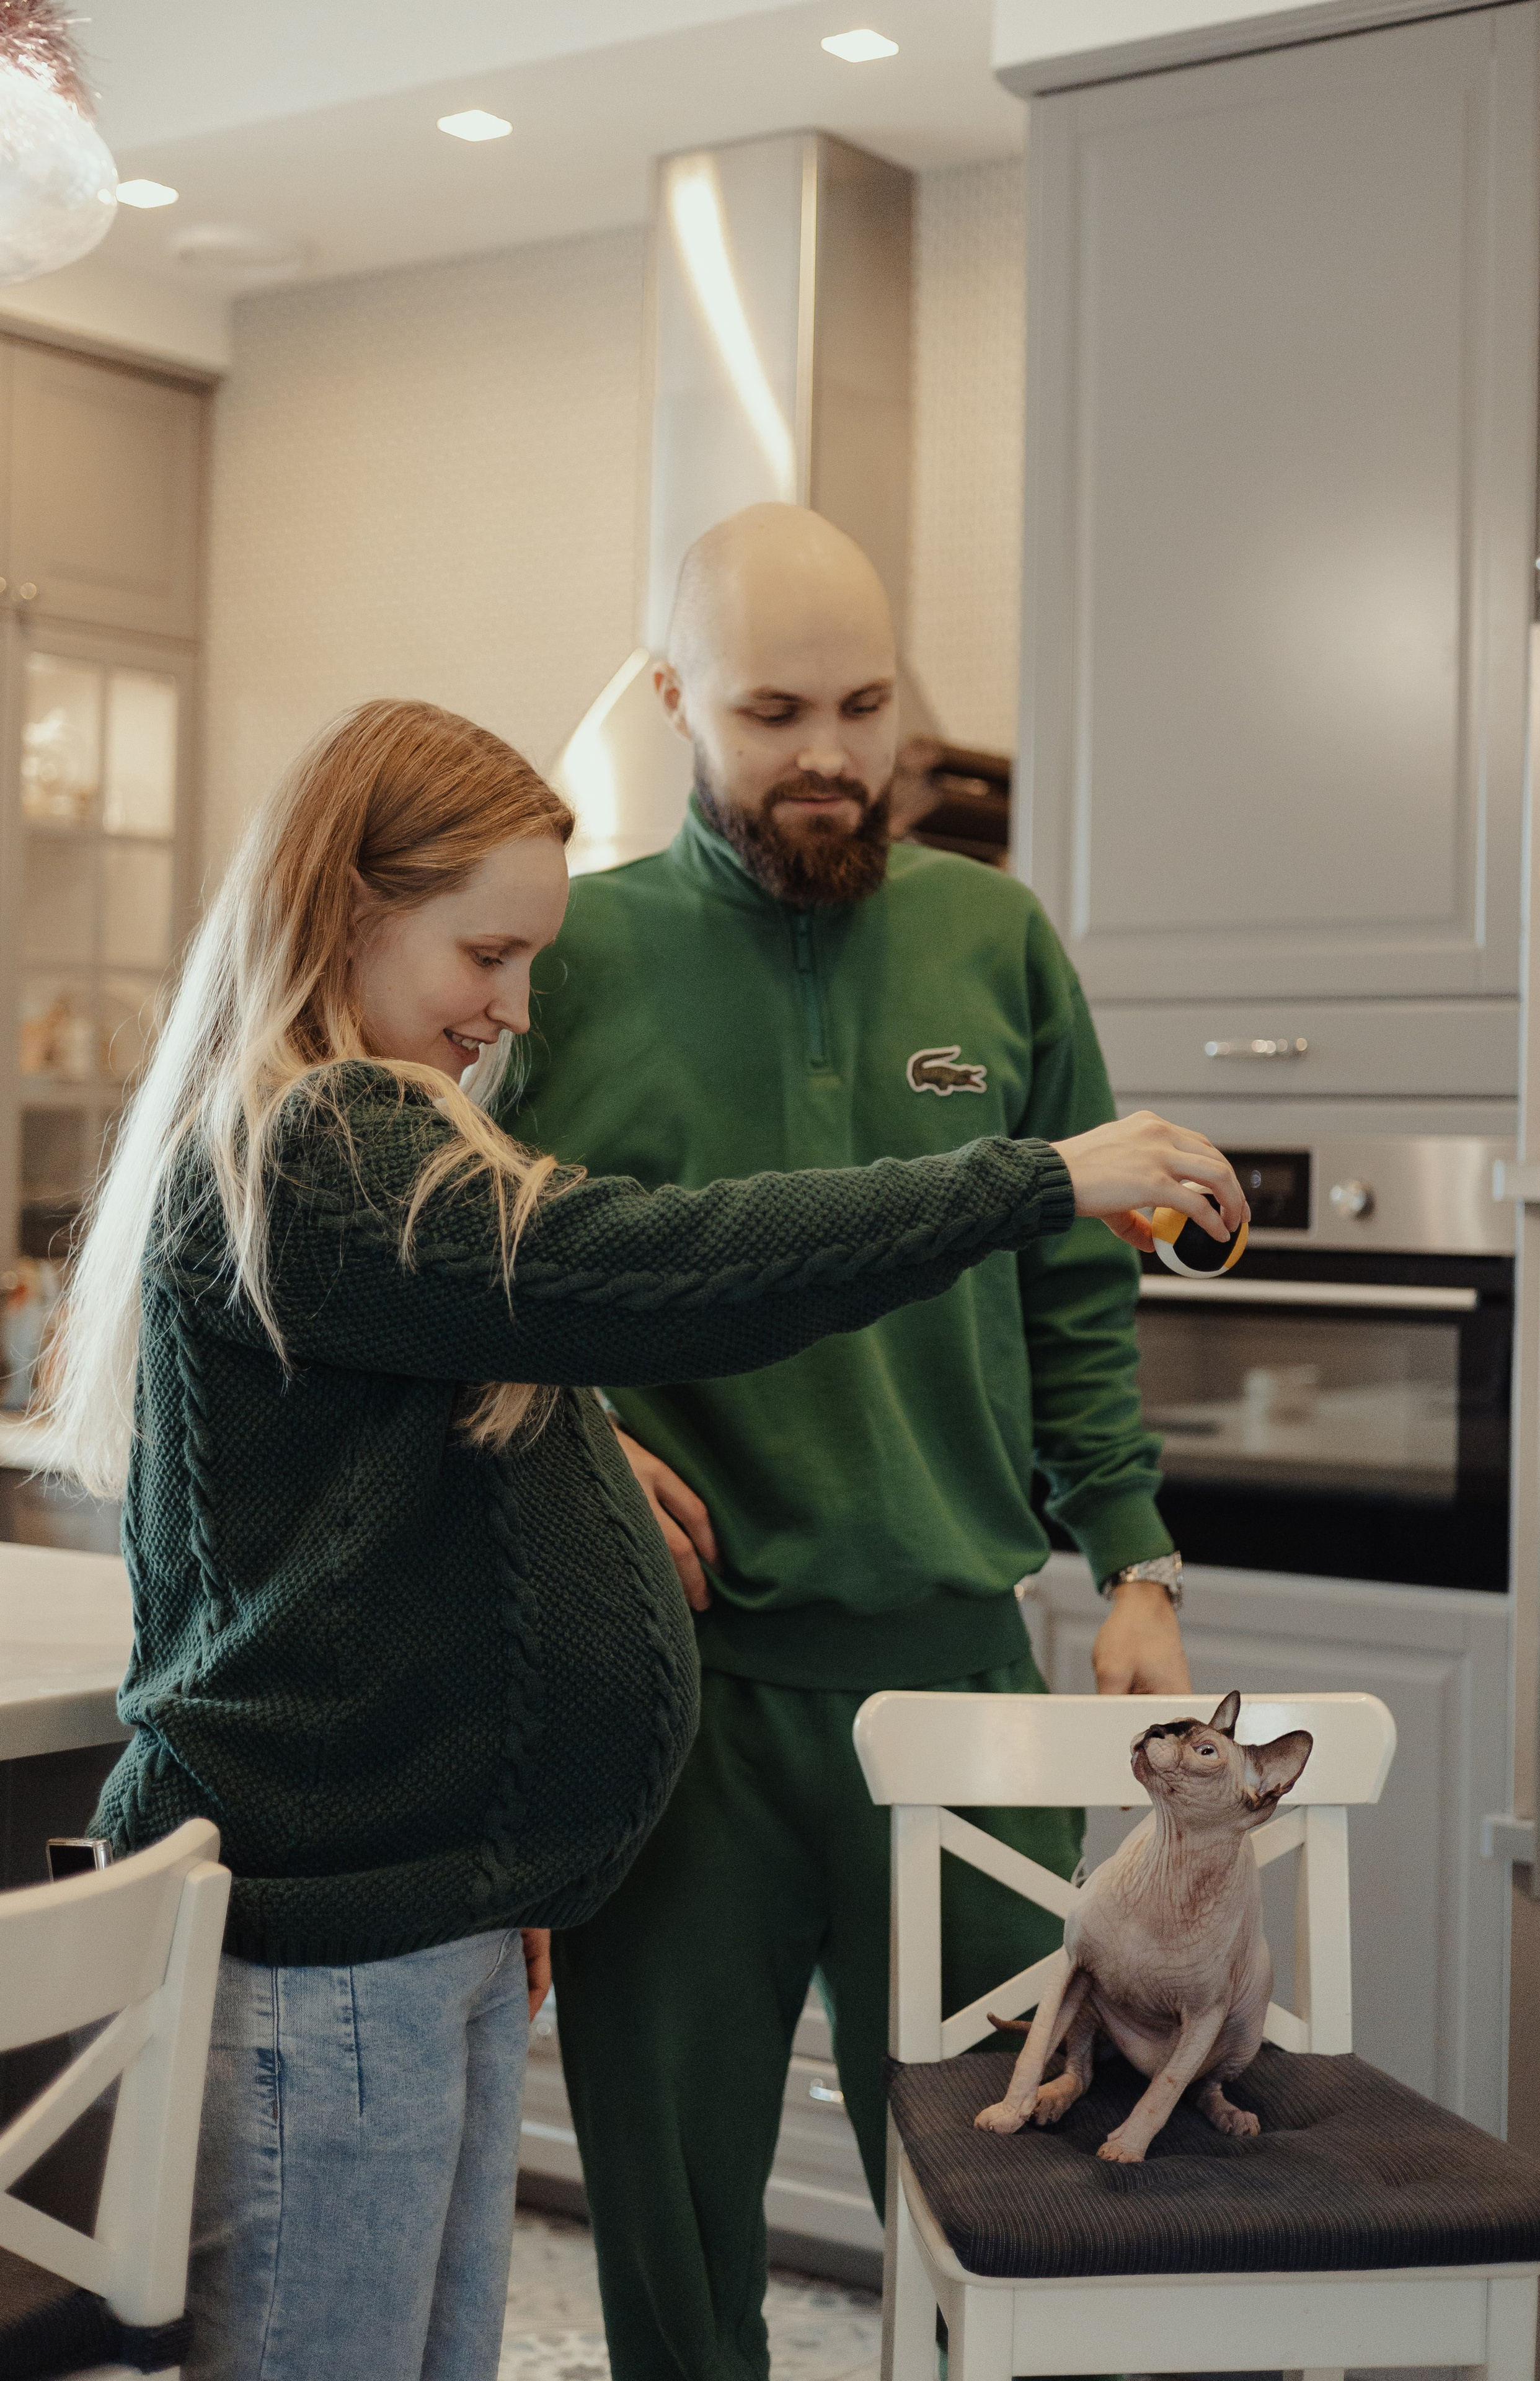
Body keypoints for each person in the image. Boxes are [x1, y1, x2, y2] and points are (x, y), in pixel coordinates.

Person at [35, 696, 1241, 2381]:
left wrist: (570, 1468)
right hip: (337, 1952)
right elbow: (648, 1265)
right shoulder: (316, 1141)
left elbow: (411, 1444)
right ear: (347, 909)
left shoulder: (364, 1139)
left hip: (422, 1918)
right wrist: (1032, 1179)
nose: (514, 1009)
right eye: (487, 955)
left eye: (532, 961)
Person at [502, 505, 1244, 2381]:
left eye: (863, 703)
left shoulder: (996, 938)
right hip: (680, 1698)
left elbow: (1079, 1280)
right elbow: (488, 1280)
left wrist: (1135, 1558)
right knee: (673, 2214)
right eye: (772, 712)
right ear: (675, 699)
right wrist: (565, 1432)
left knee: (1020, 2192)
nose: (829, 753)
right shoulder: (566, 954)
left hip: (961, 1672)